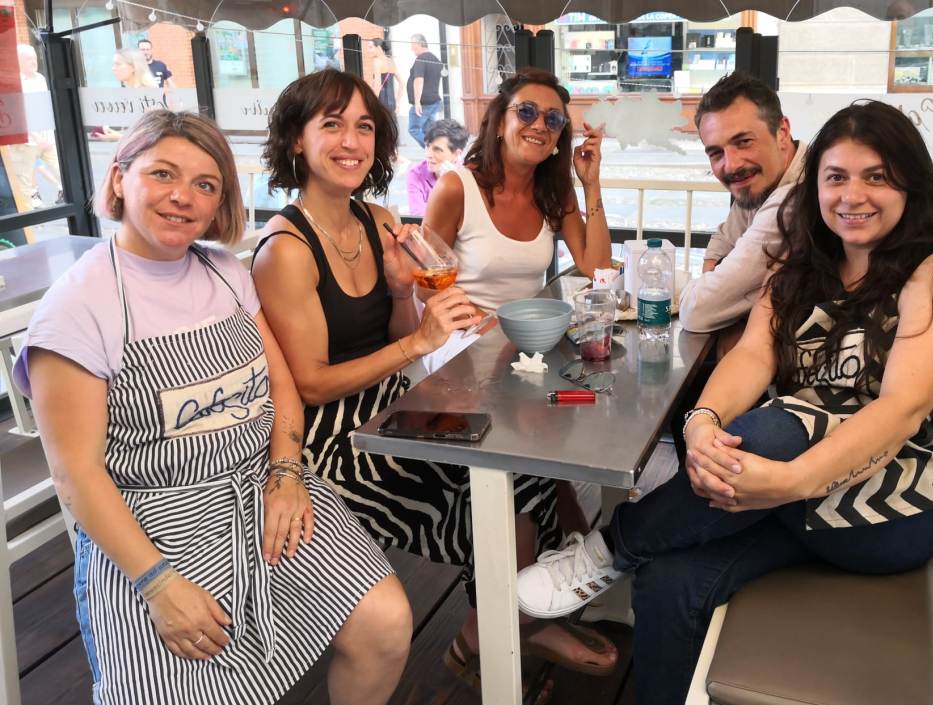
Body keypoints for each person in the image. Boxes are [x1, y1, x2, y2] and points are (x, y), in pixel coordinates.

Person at [517, 101, 933, 705]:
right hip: (788, 500)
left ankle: (613, 546)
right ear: (815, 186)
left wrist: (791, 482)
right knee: (669, 580)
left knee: (777, 428)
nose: (853, 195)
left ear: (910, 184)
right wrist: (702, 423)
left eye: (877, 177)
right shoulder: (802, 269)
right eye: (836, 177)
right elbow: (753, 355)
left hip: (894, 505)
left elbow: (900, 411)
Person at [14, 110, 412, 705]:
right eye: (163, 174)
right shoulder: (77, 309)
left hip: (265, 488)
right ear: (119, 178)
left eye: (206, 184)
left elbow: (282, 389)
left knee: (385, 622)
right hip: (152, 529)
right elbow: (77, 476)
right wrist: (156, 583)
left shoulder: (227, 273)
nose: (184, 197)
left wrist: (287, 473)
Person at [252, 69, 617, 695]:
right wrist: (420, 341)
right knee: (504, 477)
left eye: (364, 127)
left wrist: (403, 295)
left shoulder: (375, 218)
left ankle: (499, 626)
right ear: (295, 140)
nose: (351, 141)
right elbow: (310, 386)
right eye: (332, 126)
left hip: (398, 402)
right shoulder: (286, 247)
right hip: (333, 438)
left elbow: (401, 323)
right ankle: (508, 625)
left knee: (523, 466)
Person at [424, 68, 612, 314]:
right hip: (465, 333)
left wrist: (591, 184)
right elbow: (426, 288)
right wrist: (493, 327)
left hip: (530, 333)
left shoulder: (555, 192)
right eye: (526, 112)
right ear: (500, 123)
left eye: (553, 119)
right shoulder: (455, 188)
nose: (540, 125)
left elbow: (598, 268)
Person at [678, 72, 805, 340]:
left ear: (782, 132)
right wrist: (721, 288)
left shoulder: (794, 198)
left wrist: (717, 296)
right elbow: (722, 241)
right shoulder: (763, 181)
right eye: (716, 153)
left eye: (744, 142)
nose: (732, 165)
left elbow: (696, 310)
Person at [8, 44, 62, 209]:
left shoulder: (40, 78)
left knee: (64, 173)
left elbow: (44, 106)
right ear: (17, 61)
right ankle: (27, 216)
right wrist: (36, 137)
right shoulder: (12, 82)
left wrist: (49, 134)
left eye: (34, 57)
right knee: (23, 184)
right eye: (28, 59)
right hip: (25, 142)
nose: (34, 61)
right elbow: (16, 113)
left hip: (47, 139)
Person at [406, 118, 469, 216]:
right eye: (427, 146)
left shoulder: (469, 173)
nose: (428, 155)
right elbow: (418, 216)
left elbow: (469, 215)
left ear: (457, 154)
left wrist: (452, 184)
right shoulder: (416, 173)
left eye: (437, 150)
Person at [406, 33, 442, 147]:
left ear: (419, 43)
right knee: (430, 132)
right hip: (433, 102)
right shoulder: (435, 59)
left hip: (423, 104)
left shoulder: (420, 60)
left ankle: (433, 149)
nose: (411, 48)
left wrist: (417, 102)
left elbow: (419, 80)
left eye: (412, 44)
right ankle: (435, 151)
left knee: (414, 129)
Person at [366, 38, 402, 118]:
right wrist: (398, 103)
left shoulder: (377, 62)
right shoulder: (390, 61)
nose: (368, 50)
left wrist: (372, 104)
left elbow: (377, 85)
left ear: (378, 48)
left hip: (381, 103)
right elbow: (402, 82)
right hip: (392, 104)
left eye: (370, 47)